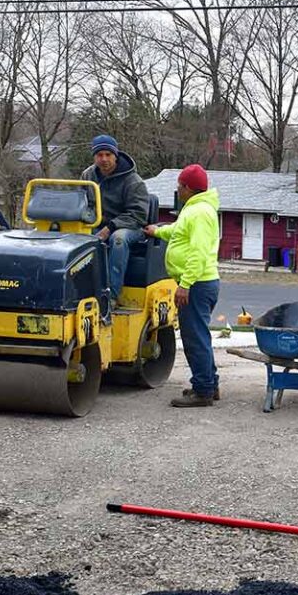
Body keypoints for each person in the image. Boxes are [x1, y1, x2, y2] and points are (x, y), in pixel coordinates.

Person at [145, 164, 221, 408]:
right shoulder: (196, 210)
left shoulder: (199, 213)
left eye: (179, 186)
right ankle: (209, 383)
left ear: (187, 188)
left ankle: (203, 391)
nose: (178, 190)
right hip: (199, 283)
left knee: (194, 338)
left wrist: (185, 285)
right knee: (200, 336)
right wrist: (157, 231)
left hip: (197, 285)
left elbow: (198, 253)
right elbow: (178, 232)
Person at [80, 135, 153, 301]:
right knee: (76, 239)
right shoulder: (87, 176)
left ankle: (111, 296)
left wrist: (111, 227)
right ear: (94, 157)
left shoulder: (133, 181)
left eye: (108, 154)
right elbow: (81, 203)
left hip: (131, 227)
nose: (104, 159)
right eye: (99, 155)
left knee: (118, 239)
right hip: (97, 224)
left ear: (116, 155)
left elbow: (139, 214)